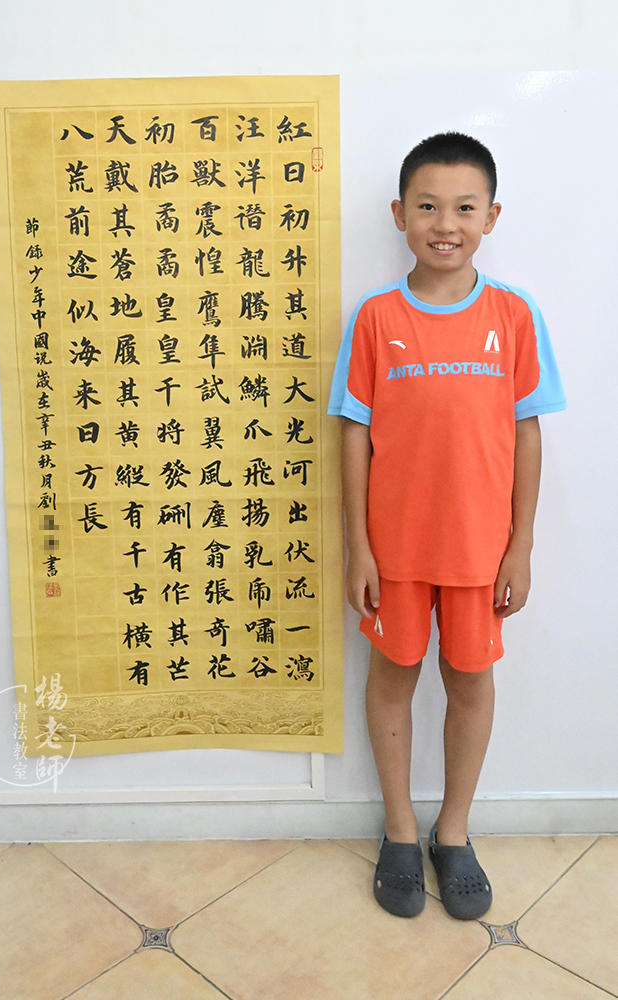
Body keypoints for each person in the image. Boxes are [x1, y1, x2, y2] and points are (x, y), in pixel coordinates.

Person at [328, 133, 565, 920]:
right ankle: (399, 829)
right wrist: (359, 548)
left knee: (469, 682)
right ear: (400, 213)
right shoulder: (376, 318)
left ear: (491, 217)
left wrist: (520, 547)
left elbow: (527, 433)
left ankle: (453, 831)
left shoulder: (513, 315)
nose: (445, 224)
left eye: (464, 208)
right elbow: (354, 433)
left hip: (479, 552)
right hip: (394, 552)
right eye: (428, 206)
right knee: (392, 679)